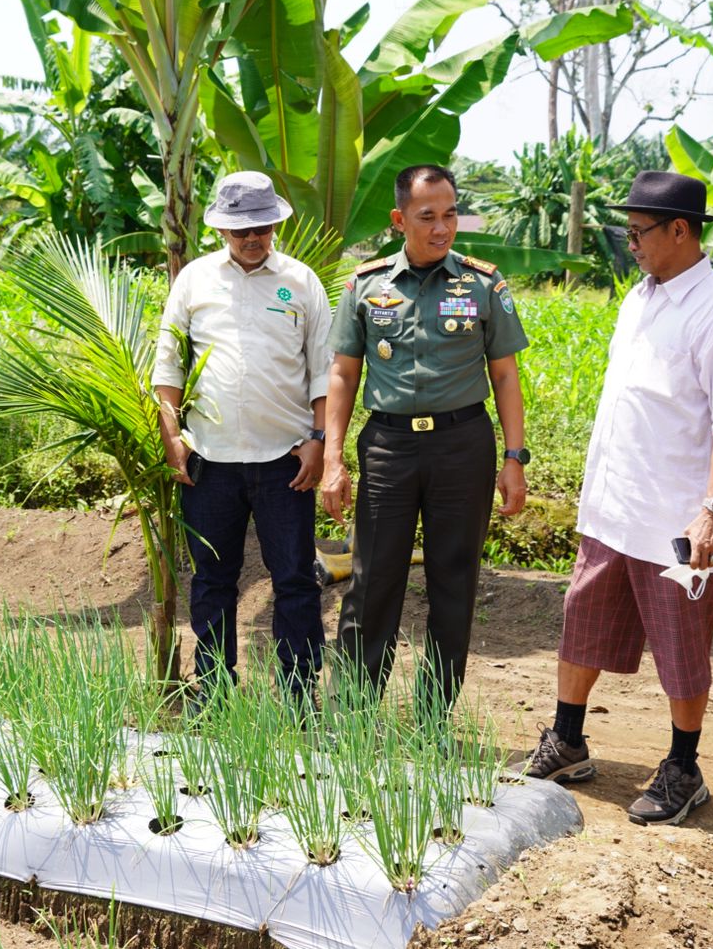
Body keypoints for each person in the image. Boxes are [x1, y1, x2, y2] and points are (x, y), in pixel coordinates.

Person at [524, 170, 713, 828]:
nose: (631, 244)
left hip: (680, 523)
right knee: (582, 618)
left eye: (639, 232)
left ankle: (684, 767)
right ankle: (568, 739)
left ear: (679, 231)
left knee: (684, 644)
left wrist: (712, 511)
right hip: (614, 508)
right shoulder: (640, 298)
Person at [319, 164, 529, 716]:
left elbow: (505, 374)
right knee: (373, 579)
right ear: (398, 220)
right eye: (428, 216)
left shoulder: (484, 283)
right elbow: (343, 374)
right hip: (388, 448)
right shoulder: (366, 285)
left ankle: (433, 720)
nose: (443, 227)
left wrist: (514, 457)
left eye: (451, 213)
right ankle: (352, 716)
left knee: (453, 583)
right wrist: (333, 460)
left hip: (463, 446)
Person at [151, 172, 332, 701]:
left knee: (295, 580)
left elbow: (323, 369)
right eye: (240, 230)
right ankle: (211, 690)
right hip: (209, 460)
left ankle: (300, 695)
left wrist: (318, 440)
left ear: (275, 221)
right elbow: (168, 365)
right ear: (222, 230)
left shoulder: (301, 281)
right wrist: (173, 439)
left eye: (262, 226)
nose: (252, 238)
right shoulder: (195, 280)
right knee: (212, 580)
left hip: (286, 462)